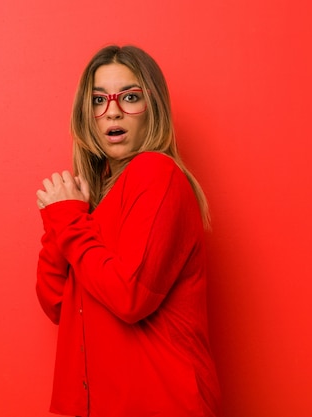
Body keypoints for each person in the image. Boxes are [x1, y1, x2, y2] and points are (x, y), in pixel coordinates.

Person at [35, 45, 221, 417]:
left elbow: (130, 297)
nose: (113, 110)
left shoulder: (156, 173)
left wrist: (69, 222)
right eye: (98, 99)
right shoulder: (96, 198)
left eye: (130, 97)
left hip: (160, 403)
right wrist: (63, 219)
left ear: (154, 108)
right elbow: (57, 303)